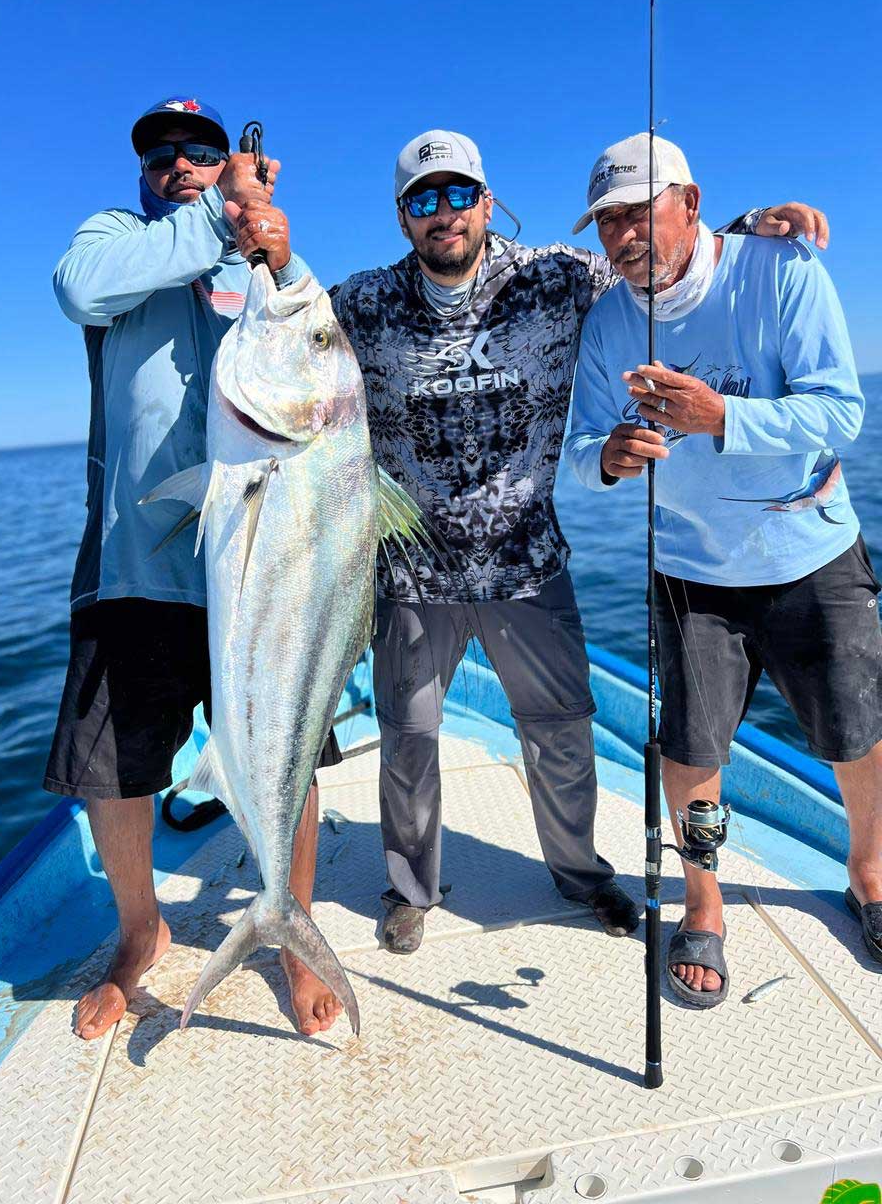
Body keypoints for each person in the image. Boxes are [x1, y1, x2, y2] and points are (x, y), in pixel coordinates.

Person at [329, 128, 821, 954]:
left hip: (529, 563)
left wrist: (747, 229)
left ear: (486, 202)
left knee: (561, 732)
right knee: (408, 741)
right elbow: (277, 325)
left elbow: (657, 256)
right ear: (403, 217)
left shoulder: (557, 277)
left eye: (457, 195)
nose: (442, 213)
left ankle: (581, 875)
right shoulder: (364, 303)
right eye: (423, 200)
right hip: (412, 575)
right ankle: (412, 886)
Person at [45, 97, 343, 1039]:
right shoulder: (118, 241)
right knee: (113, 771)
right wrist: (217, 214)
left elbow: (324, 378)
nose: (180, 161)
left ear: (230, 160)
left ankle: (291, 930)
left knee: (286, 752)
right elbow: (77, 288)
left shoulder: (262, 265)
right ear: (144, 172)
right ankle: (141, 932)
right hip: (137, 562)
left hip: (260, 566)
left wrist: (276, 255)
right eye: (162, 153)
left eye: (203, 151)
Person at [565, 132, 881, 1006]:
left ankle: (871, 872)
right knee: (692, 745)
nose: (623, 236)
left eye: (639, 213)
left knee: (854, 728)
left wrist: (722, 417)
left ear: (691, 204)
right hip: (691, 570)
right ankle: (703, 905)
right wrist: (612, 454)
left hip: (808, 549)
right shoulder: (609, 318)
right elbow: (583, 445)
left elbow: (841, 413)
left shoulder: (781, 270)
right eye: (607, 223)